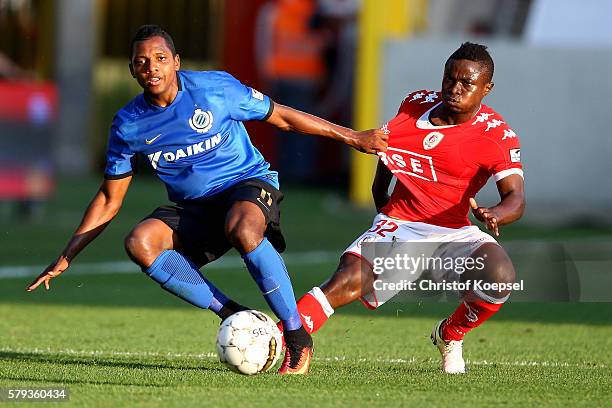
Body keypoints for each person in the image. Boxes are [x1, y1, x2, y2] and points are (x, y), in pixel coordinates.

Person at [25, 25, 388, 375]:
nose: (152, 67)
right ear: (132, 69)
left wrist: (353, 137)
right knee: (140, 242)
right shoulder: (128, 125)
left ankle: (296, 337)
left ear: (177, 61)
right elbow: (109, 198)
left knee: (244, 229)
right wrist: (67, 255)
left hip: (246, 183)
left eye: (160, 57)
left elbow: (282, 117)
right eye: (142, 61)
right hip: (195, 208)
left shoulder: (215, 89)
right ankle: (233, 313)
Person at [281, 42, 525, 374]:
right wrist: (382, 200)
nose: (454, 89)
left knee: (500, 276)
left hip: (454, 231)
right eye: (449, 79)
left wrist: (497, 213)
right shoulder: (415, 103)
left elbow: (516, 199)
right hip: (402, 222)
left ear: (486, 88)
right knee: (348, 280)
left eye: (466, 83)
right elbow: (391, 144)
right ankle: (279, 340)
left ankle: (449, 335)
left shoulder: (497, 135)